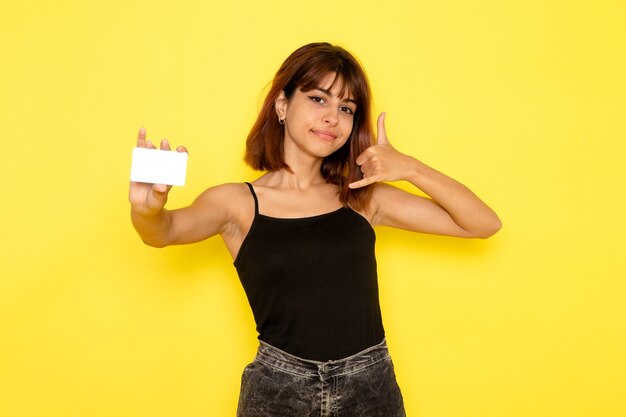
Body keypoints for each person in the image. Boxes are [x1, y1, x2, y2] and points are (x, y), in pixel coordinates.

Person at [129, 42, 501, 417]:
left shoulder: (362, 197)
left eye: (346, 108)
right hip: (279, 391)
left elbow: (483, 223)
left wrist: (411, 168)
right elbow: (163, 231)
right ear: (282, 104)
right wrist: (146, 209)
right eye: (318, 99)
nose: (332, 118)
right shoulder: (236, 203)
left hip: (371, 387)